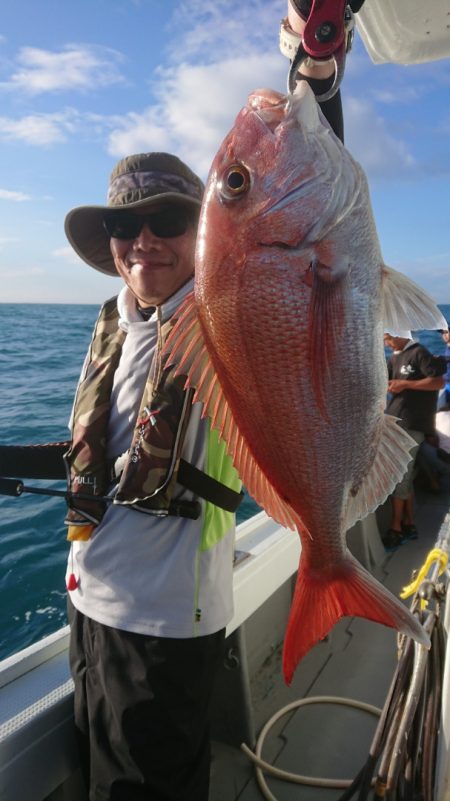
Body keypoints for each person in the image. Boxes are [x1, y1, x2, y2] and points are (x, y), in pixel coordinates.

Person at [63, 151, 243, 801]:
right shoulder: (117, 315)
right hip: (88, 598)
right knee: (94, 766)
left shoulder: (226, 316)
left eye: (167, 218)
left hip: (160, 622)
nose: (143, 240)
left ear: (203, 233)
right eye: (123, 222)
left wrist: (318, 81)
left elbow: (303, 236)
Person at [383, 330, 446, 551]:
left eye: (388, 337)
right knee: (403, 474)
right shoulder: (394, 357)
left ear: (400, 332)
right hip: (396, 424)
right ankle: (408, 523)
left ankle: (396, 527)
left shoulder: (419, 352)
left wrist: (405, 384)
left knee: (400, 476)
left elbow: (438, 382)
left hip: (413, 425)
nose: (386, 342)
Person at [438, 325, 450, 409]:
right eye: (442, 333)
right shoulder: (447, 347)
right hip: (447, 383)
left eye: (446, 332)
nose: (444, 335)